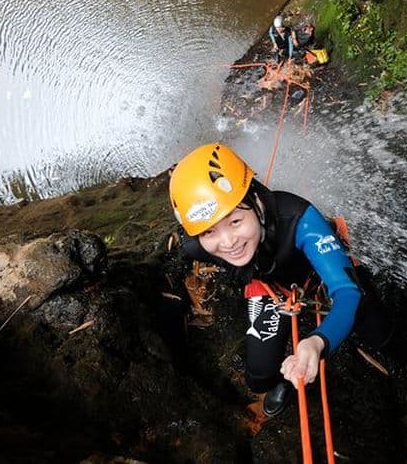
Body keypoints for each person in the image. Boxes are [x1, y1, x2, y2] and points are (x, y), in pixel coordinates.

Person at [168, 143, 392, 417]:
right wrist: (248, 276)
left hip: (314, 277)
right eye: (209, 232)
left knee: (383, 336)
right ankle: (286, 384)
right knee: (258, 376)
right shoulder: (196, 245)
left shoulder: (300, 219)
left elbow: (347, 292)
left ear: (256, 203)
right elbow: (229, 258)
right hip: (271, 287)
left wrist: (317, 341)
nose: (227, 243)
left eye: (235, 221)